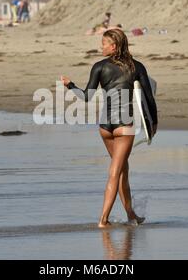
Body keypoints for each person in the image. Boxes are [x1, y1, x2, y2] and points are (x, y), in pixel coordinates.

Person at [61, 29, 158, 228]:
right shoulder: (136, 67)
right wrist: (153, 123)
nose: (101, 46)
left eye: (104, 43)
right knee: (115, 172)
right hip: (124, 126)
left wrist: (70, 85)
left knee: (123, 169)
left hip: (105, 126)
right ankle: (103, 220)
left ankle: (132, 215)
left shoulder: (99, 67)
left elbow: (86, 96)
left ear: (113, 47)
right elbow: (148, 98)